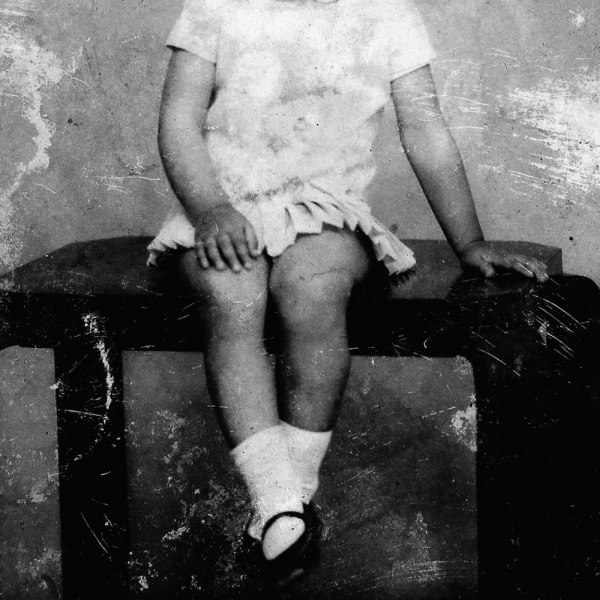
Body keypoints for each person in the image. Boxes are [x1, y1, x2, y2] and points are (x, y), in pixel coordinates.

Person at [148, 0, 549, 586]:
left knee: (312, 290)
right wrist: (210, 210)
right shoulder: (216, 6)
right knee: (231, 292)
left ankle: (285, 508)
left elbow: (426, 131)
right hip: (222, 202)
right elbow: (178, 121)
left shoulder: (388, 14)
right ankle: (278, 501)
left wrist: (469, 242)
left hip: (324, 207)